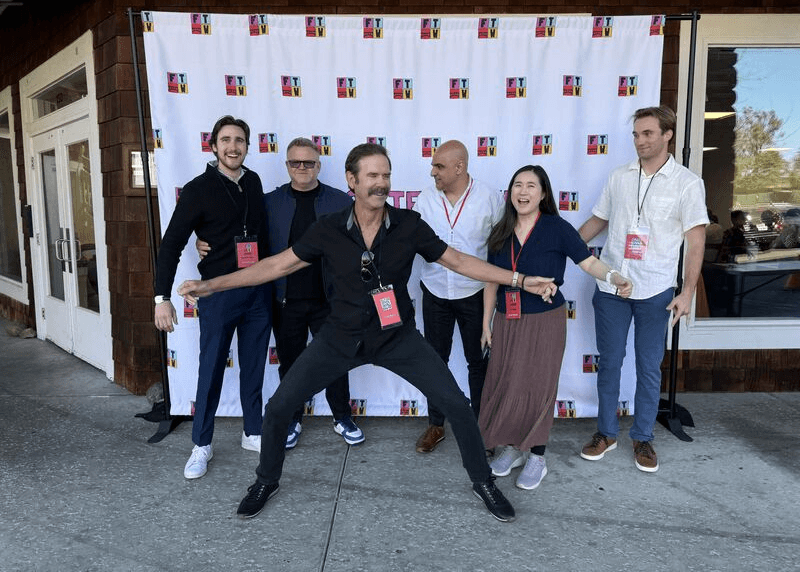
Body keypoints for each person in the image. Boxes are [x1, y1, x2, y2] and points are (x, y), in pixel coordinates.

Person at [178, 143, 559, 523]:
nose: (381, 184)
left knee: (457, 405)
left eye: (386, 175)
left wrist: (519, 279)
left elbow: (458, 261)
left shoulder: (408, 225)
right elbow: (277, 266)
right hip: (339, 338)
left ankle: (483, 482)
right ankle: (266, 480)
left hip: (397, 338)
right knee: (278, 408)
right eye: (373, 176)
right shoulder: (328, 229)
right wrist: (213, 285)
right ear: (351, 180)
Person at [198, 138, 361, 449]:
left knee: (336, 361)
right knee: (291, 365)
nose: (302, 168)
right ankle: (293, 417)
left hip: (330, 300)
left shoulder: (341, 202)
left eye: (308, 162)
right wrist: (202, 241)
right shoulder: (269, 202)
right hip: (286, 302)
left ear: (319, 165)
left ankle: (342, 416)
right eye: (295, 162)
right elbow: (240, 233)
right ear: (287, 166)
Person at [479, 165, 632, 490]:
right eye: (517, 185)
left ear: (543, 193)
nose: (523, 192)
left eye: (531, 186)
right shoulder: (500, 231)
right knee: (508, 384)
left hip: (545, 321)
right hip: (507, 319)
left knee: (537, 386)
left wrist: (613, 277)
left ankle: (537, 456)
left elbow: (588, 261)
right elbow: (491, 281)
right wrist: (486, 323)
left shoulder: (557, 228)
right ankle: (512, 448)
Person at [578, 105, 708, 473]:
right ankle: (606, 433)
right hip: (612, 285)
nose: (640, 141)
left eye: (648, 133)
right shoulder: (619, 176)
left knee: (649, 367)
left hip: (656, 289)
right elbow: (598, 220)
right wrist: (564, 244)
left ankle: (643, 437)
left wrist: (687, 292)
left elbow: (695, 241)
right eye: (636, 134)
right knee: (610, 364)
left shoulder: (687, 182)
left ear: (668, 134)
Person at [153, 115, 272, 479]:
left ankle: (253, 432)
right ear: (214, 146)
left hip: (257, 292)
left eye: (239, 140)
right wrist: (161, 297)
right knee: (211, 370)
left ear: (247, 146)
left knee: (254, 367)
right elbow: (172, 243)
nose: (232, 146)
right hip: (218, 294)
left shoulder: (253, 181)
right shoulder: (197, 189)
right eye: (225, 140)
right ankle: (201, 444)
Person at [412, 140, 504, 453]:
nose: (432, 171)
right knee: (434, 362)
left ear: (459, 167)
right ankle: (435, 425)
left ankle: (482, 429)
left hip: (475, 294)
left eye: (439, 166)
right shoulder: (425, 198)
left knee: (478, 363)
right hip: (434, 291)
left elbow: (499, 249)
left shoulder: (490, 198)